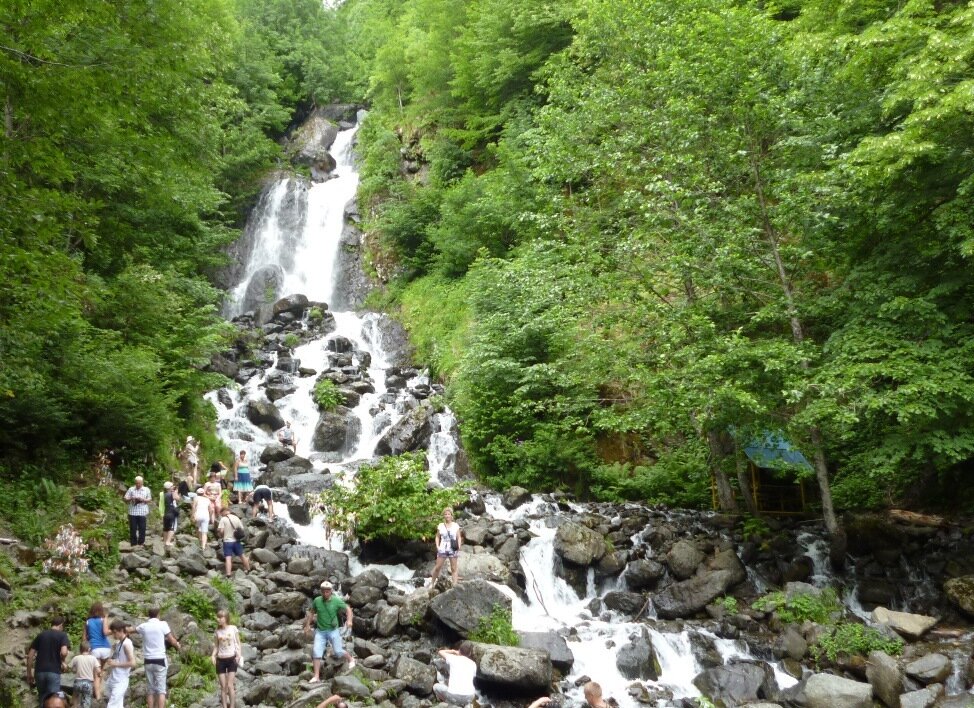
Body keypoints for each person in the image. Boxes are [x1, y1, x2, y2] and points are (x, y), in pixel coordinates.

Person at [303, 581, 355, 681]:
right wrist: (307, 625)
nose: (325, 593)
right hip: (320, 631)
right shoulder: (317, 601)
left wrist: (349, 620)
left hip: (333, 630)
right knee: (316, 652)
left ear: (331, 591)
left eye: (327, 591)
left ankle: (351, 659)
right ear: (321, 591)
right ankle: (316, 676)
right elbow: (311, 613)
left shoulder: (336, 600)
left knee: (338, 651)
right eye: (323, 591)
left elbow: (348, 609)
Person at [137, 607, 180, 708]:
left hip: (148, 660)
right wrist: (178, 646)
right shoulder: (162, 624)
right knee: (161, 690)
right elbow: (171, 640)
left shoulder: (144, 626)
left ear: (149, 615)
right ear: (158, 615)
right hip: (160, 660)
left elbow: (132, 630)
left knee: (150, 690)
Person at [26, 616, 70, 707]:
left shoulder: (41, 635)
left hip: (39, 672)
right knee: (54, 700)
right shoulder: (62, 635)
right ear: (61, 625)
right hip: (53, 671)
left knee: (43, 699)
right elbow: (64, 652)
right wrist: (63, 661)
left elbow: (30, 655)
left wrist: (29, 673)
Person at [211, 609, 242, 708]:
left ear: (226, 618)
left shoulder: (233, 628)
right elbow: (216, 646)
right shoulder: (217, 631)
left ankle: (232, 706)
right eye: (218, 617)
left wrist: (239, 655)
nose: (218, 619)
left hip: (232, 659)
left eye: (220, 617)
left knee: (230, 685)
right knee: (223, 687)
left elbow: (238, 643)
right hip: (220, 660)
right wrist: (212, 656)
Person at [103, 620, 135, 708]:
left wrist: (116, 664)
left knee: (111, 705)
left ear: (121, 630)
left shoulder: (126, 644)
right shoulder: (119, 643)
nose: (113, 635)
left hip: (121, 679)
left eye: (114, 632)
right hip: (114, 677)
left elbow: (132, 663)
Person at [429, 507, 462, 586]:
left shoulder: (455, 525)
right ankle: (432, 583)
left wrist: (459, 546)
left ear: (451, 515)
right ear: (444, 516)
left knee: (454, 568)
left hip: (453, 548)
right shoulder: (440, 526)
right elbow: (437, 537)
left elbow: (459, 537)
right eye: (445, 514)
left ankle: (455, 585)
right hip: (442, 548)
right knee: (437, 567)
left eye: (448, 514)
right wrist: (437, 546)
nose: (447, 516)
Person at [217, 506, 250, 577]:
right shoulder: (236, 518)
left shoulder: (223, 519)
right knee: (242, 556)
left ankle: (228, 574)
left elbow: (221, 531)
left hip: (227, 541)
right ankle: (248, 569)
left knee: (228, 558)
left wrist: (221, 535)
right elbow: (241, 529)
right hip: (236, 541)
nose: (221, 515)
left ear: (223, 512)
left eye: (221, 514)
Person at [69, 641, 102, 708]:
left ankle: (74, 705)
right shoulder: (93, 658)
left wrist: (74, 670)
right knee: (86, 702)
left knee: (75, 699)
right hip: (88, 683)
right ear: (89, 649)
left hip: (78, 682)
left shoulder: (76, 658)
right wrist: (99, 674)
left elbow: (69, 667)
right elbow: (98, 671)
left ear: (80, 649)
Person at [124, 476, 152, 546]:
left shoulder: (146, 489)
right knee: (133, 528)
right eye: (136, 483)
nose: (138, 485)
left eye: (139, 483)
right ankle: (133, 543)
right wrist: (131, 498)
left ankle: (141, 542)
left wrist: (143, 499)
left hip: (142, 512)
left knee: (142, 528)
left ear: (142, 483)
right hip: (132, 512)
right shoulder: (131, 489)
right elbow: (125, 498)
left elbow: (149, 499)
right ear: (135, 483)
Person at [161, 481, 180, 546]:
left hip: (165, 512)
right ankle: (168, 541)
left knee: (166, 528)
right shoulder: (171, 493)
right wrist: (175, 491)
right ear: (169, 487)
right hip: (172, 512)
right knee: (172, 528)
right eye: (172, 486)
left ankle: (165, 541)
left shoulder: (163, 494)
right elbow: (177, 498)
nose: (173, 487)